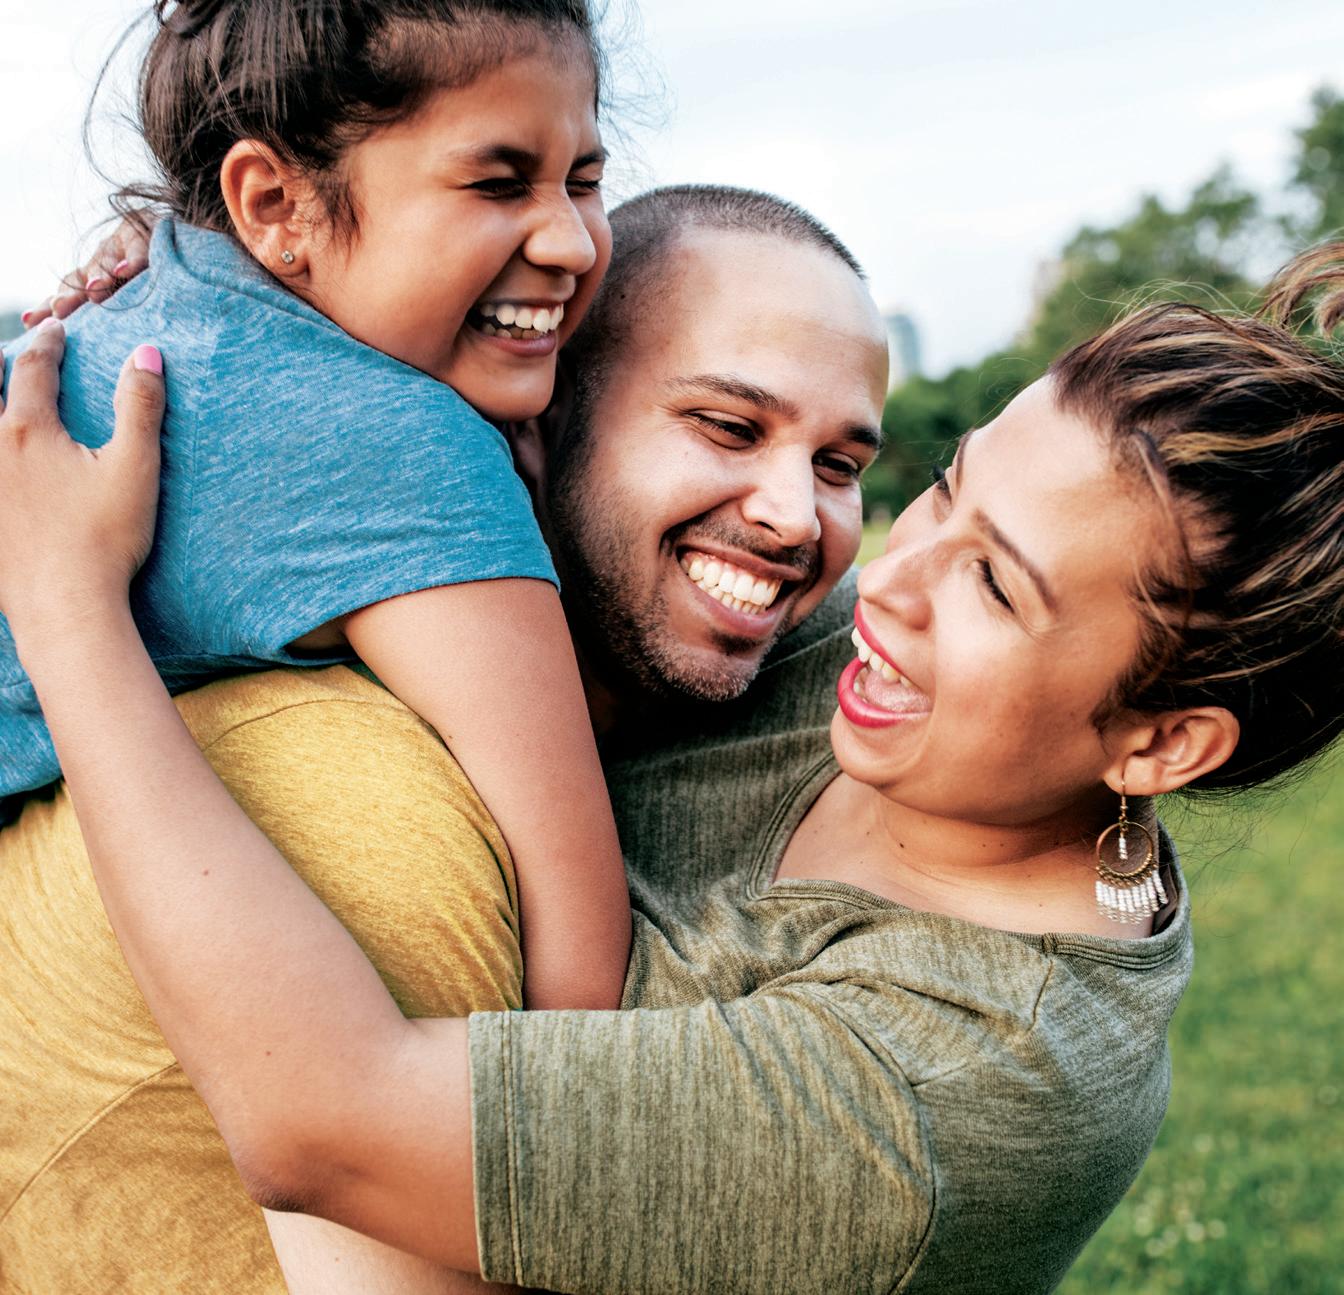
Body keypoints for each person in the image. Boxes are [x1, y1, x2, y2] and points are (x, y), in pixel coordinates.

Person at [10, 206, 1344, 1293]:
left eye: (994, 584)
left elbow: (327, 1122)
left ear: (1162, 741)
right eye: (942, 489)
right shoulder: (837, 663)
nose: (880, 579)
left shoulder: (963, 1087)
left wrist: (69, 609)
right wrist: (210, 287)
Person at [0, 186, 890, 1293]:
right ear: (531, 422)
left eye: (841, 466)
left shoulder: (760, 690)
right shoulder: (376, 817)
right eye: (727, 427)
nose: (797, 516)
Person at [0, 0, 633, 1015]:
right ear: (272, 204)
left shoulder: (152, 308)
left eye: (585, 181)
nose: (572, 242)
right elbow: (580, 983)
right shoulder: (397, 439)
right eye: (497, 183)